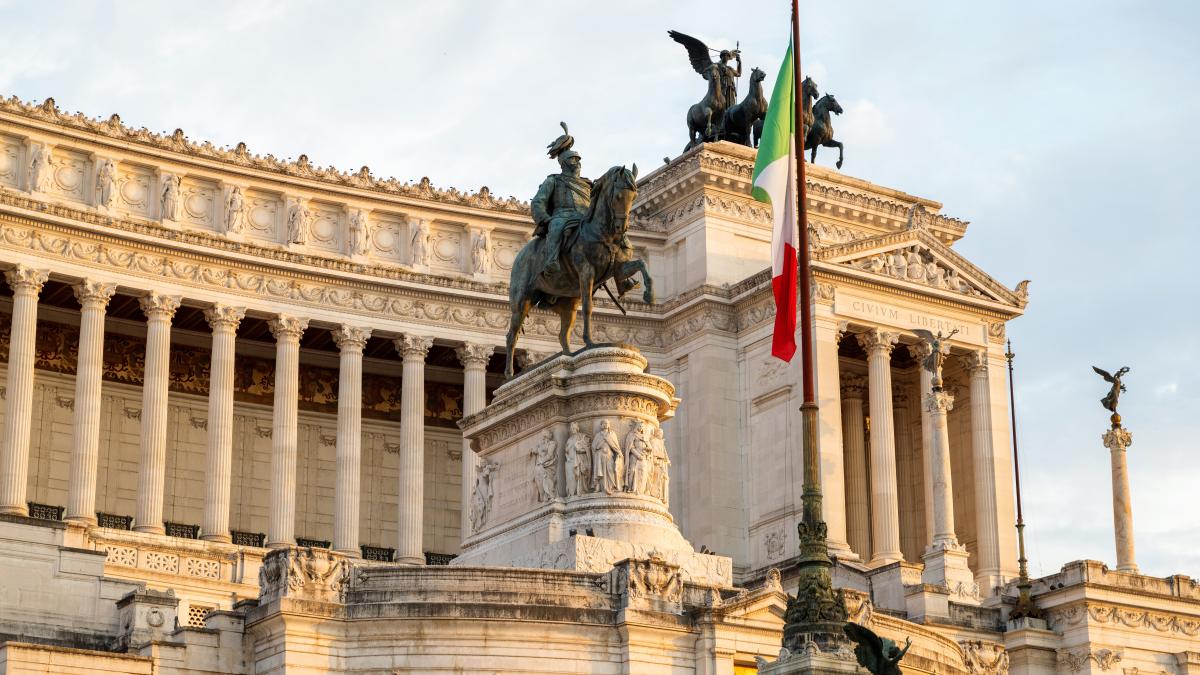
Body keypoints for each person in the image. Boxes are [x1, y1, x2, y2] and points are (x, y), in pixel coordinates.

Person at [532, 124, 592, 277]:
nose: (578, 163)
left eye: (578, 160)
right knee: (556, 227)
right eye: (573, 160)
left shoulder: (588, 184)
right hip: (562, 217)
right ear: (564, 163)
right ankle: (551, 261)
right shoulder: (553, 180)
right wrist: (545, 218)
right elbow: (538, 201)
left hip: (585, 219)